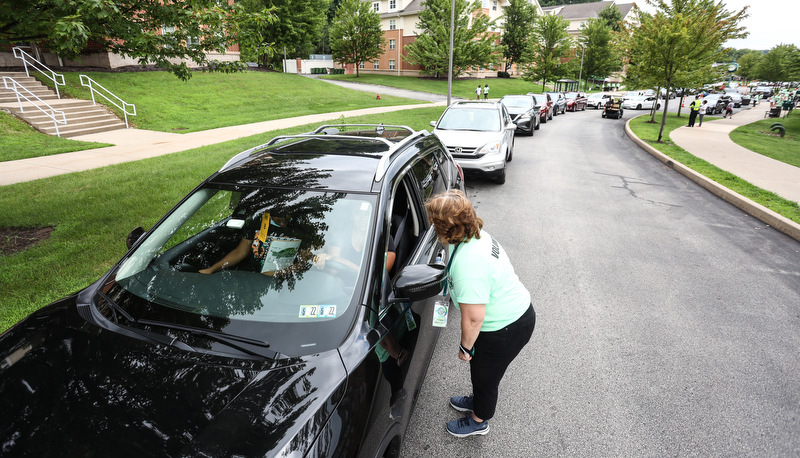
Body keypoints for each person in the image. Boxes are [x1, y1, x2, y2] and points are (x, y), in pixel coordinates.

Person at [424, 190, 535, 438]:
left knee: (486, 376)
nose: (430, 224)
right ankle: (477, 401)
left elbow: (474, 319)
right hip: (512, 315)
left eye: (434, 221)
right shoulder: (475, 236)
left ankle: (479, 420)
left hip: (505, 327)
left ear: (446, 225)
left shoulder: (469, 264)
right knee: (482, 372)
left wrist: (465, 348)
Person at [200, 212, 301, 275]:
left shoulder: (299, 227)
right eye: (279, 215)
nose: (284, 218)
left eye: (288, 214)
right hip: (252, 276)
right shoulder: (257, 223)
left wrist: (281, 273)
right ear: (270, 213)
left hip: (282, 279)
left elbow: (303, 263)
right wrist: (212, 269)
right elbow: (240, 252)